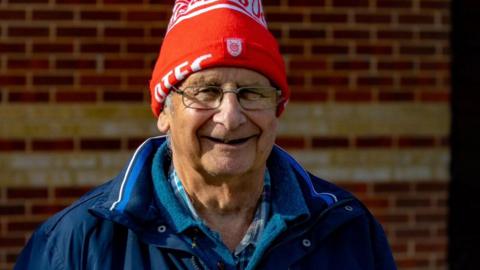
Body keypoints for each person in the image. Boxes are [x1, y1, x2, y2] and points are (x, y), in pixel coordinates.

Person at [15, 0, 397, 269]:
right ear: (165, 111)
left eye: (251, 93)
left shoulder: (347, 230)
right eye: (206, 91)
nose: (230, 118)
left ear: (277, 109)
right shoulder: (77, 243)